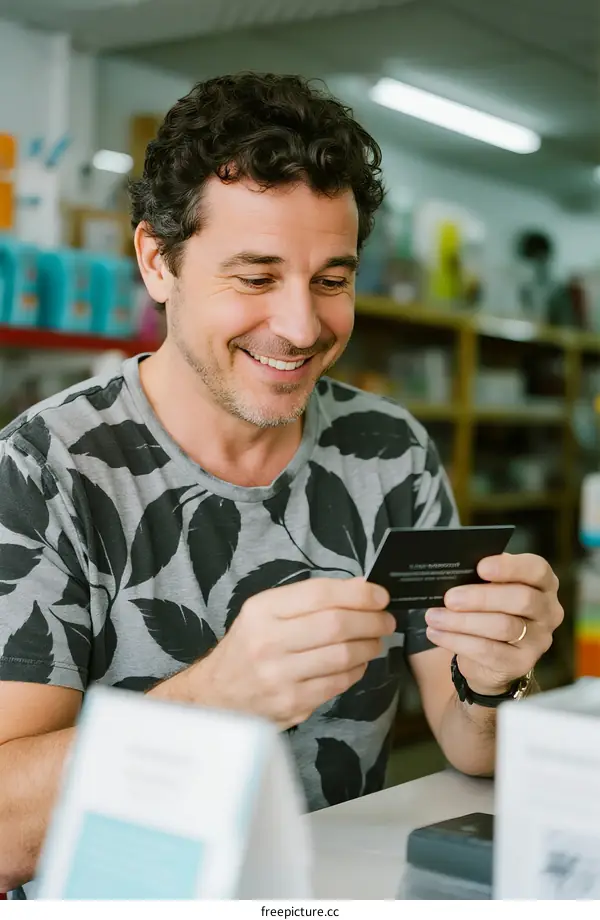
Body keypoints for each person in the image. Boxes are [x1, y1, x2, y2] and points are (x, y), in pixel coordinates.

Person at [0, 72, 563, 893]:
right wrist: (217, 697)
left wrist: (495, 673)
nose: (302, 327)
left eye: (332, 280)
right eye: (256, 278)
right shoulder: (43, 469)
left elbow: (471, 744)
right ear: (158, 261)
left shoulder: (389, 451)